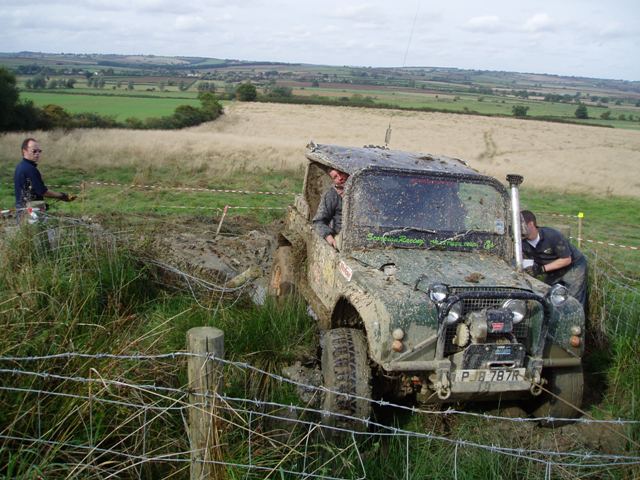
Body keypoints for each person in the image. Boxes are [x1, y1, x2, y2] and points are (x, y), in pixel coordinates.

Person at [521, 210, 588, 310]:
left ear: (531, 224)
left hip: (574, 266)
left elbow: (566, 259)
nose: (518, 229)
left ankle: (576, 317)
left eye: (521, 225)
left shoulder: (552, 236)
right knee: (550, 295)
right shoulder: (521, 243)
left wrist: (541, 269)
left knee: (574, 298)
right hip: (552, 268)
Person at [14, 138, 74, 218]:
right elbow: (43, 191)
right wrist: (62, 196)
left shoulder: (20, 166)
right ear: (24, 151)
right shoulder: (30, 169)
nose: (37, 153)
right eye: (34, 151)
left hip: (22, 211)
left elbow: (30, 191)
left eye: (39, 151)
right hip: (31, 214)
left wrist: (42, 204)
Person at [312, 168, 349, 248]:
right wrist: (329, 237)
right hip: (342, 238)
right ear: (333, 181)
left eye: (341, 173)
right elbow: (318, 221)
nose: (340, 178)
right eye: (335, 177)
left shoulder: (362, 190)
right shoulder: (331, 195)